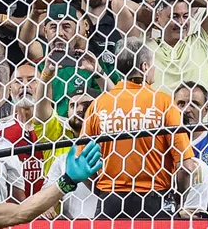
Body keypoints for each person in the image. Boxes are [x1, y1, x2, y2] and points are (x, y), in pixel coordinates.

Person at [76, 39, 194, 219]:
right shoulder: (163, 102)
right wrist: (180, 199)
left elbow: (80, 162)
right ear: (145, 66)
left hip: (110, 204)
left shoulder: (99, 104)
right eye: (153, 65)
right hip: (154, 203)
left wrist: (102, 191)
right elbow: (186, 166)